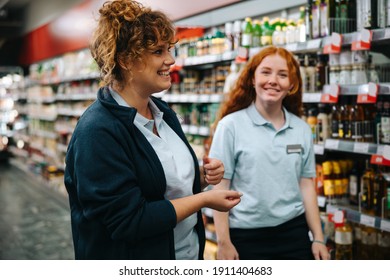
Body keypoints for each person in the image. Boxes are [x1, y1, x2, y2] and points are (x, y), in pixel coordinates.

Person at [64, 0, 242, 260]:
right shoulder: (98, 132)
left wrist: (201, 176)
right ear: (126, 60)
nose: (170, 59)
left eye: (169, 49)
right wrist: (203, 200)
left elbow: (160, 184)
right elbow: (129, 221)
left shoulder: (163, 113)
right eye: (158, 51)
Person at [209, 46, 329, 260]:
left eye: (282, 75)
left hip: (295, 233)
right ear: (252, 79)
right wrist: (224, 242)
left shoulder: (301, 129)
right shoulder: (231, 126)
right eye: (265, 72)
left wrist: (318, 237)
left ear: (291, 85)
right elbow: (220, 188)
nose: (273, 80)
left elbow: (306, 185)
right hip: (245, 237)